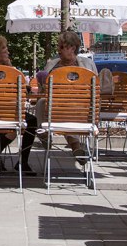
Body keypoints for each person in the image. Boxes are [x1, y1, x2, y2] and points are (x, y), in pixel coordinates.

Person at [27, 30, 99, 164]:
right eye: (58, 46)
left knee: (65, 109)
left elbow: (95, 91)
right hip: (56, 108)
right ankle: (46, 136)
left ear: (72, 48)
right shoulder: (51, 65)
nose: (58, 50)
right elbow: (44, 91)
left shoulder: (87, 65)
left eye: (61, 47)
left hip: (80, 109)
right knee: (42, 102)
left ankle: (74, 146)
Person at [0, 35, 35, 175]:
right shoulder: (6, 73)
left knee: (12, 120)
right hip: (3, 113)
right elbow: (19, 90)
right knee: (32, 122)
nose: (8, 52)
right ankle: (22, 162)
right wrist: (10, 67)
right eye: (5, 49)